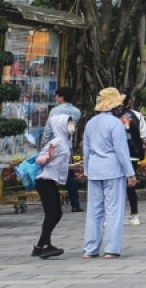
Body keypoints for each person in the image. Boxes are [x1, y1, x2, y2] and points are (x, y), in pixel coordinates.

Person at [82, 88, 137, 259]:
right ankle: (111, 248)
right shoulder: (115, 124)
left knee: (94, 210)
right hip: (113, 169)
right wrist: (130, 173)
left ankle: (90, 248)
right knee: (114, 210)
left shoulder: (90, 123)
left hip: (94, 169)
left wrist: (86, 170)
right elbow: (121, 151)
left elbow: (86, 149)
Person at [32, 112, 73, 259]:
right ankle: (44, 246)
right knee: (53, 213)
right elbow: (39, 159)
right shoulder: (57, 142)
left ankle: (40, 245)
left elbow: (58, 163)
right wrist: (47, 157)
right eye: (68, 122)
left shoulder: (63, 141)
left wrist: (73, 167)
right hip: (45, 181)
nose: (71, 125)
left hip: (49, 181)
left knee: (55, 213)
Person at [47, 87, 83, 212]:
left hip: (54, 146)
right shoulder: (77, 112)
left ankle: (53, 203)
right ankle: (75, 204)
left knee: (51, 175)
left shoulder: (54, 112)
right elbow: (71, 129)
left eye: (57, 96)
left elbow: (48, 130)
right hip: (67, 146)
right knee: (70, 176)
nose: (55, 98)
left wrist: (44, 145)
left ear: (61, 97)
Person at [122, 96, 146, 224]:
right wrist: (145, 147)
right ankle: (134, 215)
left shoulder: (110, 115)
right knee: (130, 185)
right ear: (129, 101)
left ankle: (111, 216)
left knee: (115, 186)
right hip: (133, 153)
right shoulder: (136, 115)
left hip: (115, 155)